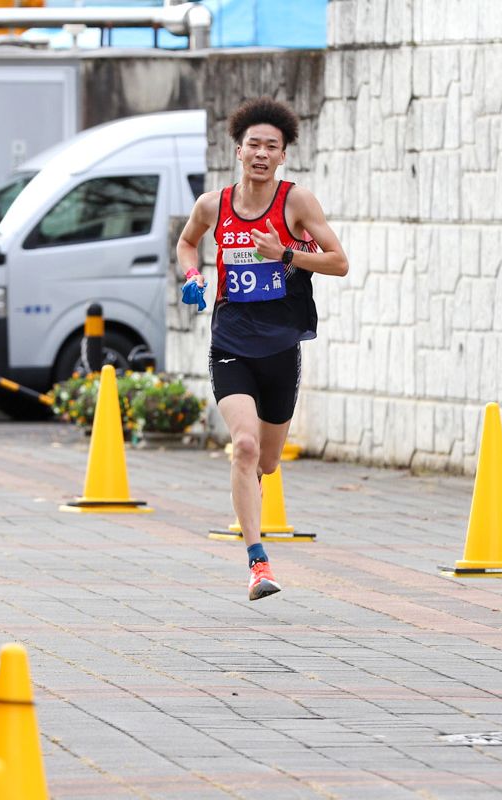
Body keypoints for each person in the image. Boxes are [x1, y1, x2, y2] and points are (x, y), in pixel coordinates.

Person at [177, 97, 348, 601]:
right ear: (238, 150)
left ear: (282, 156)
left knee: (266, 462)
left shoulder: (297, 203)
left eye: (271, 146)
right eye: (253, 144)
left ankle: (254, 489)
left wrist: (286, 254)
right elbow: (188, 242)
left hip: (281, 348)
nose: (261, 153)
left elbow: (339, 262)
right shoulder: (213, 205)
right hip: (230, 342)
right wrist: (192, 275)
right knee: (244, 446)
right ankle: (257, 563)